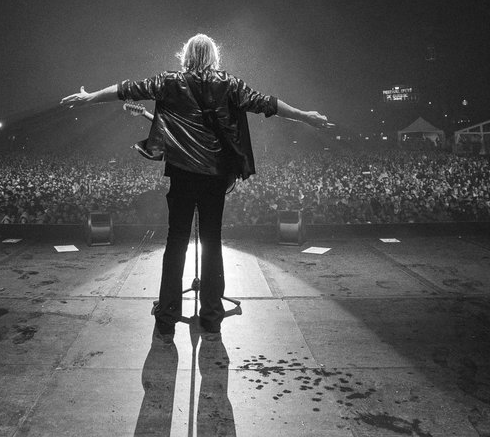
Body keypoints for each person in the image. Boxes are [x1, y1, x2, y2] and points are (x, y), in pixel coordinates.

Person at [60, 33, 333, 342]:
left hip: (182, 174)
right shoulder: (229, 83)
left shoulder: (169, 81)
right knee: (211, 241)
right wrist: (304, 116)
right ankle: (212, 317)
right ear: (214, 56)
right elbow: (266, 103)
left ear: (185, 56)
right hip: (215, 176)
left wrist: (90, 97)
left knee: (176, 241)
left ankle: (167, 317)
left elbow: (126, 89)